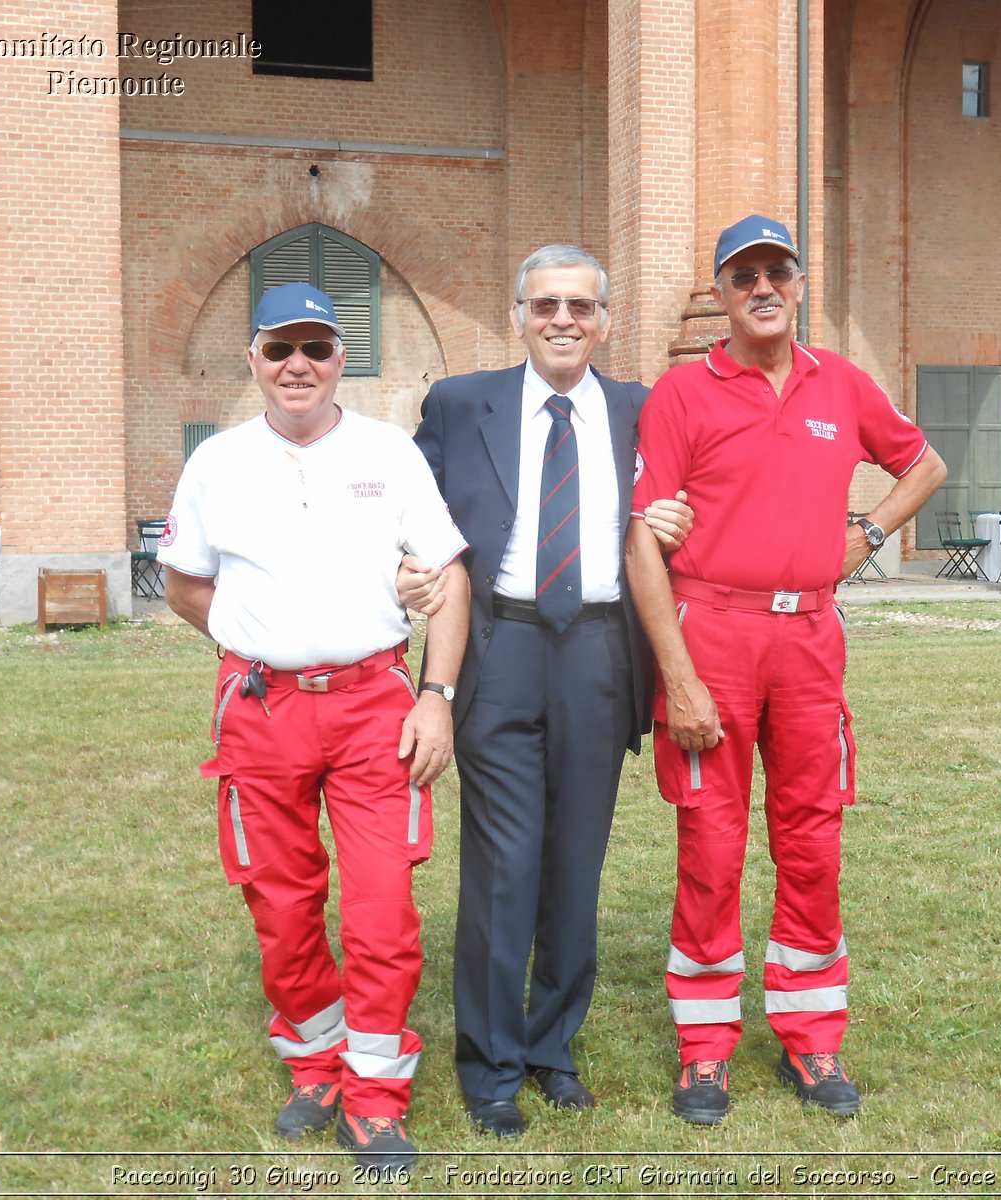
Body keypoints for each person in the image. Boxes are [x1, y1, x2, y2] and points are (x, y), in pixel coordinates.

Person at [623, 215, 948, 1126]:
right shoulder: (684, 393)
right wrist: (678, 676)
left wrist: (866, 536)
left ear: (800, 284)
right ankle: (705, 1050)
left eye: (778, 271)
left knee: (812, 841)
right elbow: (646, 537)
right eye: (743, 276)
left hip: (808, 640)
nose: (763, 287)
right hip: (712, 633)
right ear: (722, 294)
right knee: (712, 844)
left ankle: (812, 1039)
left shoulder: (838, 383)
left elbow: (925, 463)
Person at [158, 282, 469, 1179]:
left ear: (342, 359)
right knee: (280, 900)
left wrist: (436, 695)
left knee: (381, 905)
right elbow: (185, 583)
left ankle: (375, 1094)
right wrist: (258, 635)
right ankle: (315, 1063)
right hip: (261, 710)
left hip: (375, 702)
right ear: (252, 358)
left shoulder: (389, 452)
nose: (299, 365)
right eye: (279, 348)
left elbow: (446, 576)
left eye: (318, 348)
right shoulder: (217, 461)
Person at [401, 244, 691, 1137]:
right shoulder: (460, 404)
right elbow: (405, 512)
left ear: (605, 320)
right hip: (502, 646)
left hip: (600, 652)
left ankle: (551, 1048)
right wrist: (404, 568)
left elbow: (687, 501)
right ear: (518, 314)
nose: (563, 320)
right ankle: (489, 1068)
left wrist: (681, 523)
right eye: (545, 305)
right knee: (503, 865)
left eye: (580, 306)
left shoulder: (643, 410)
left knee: (575, 863)